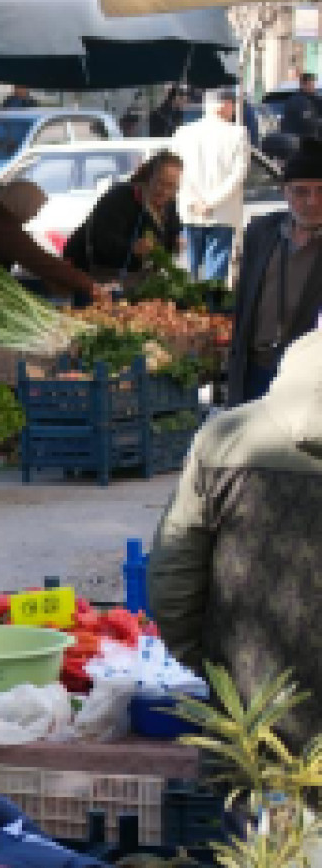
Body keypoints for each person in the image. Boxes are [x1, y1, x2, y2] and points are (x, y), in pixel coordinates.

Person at [149, 332, 322, 748]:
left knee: (256, 811)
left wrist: (218, 673)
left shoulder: (225, 437)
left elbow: (173, 582)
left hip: (251, 717)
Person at [222, 139, 322, 406]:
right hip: (255, 367)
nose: (313, 201)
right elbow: (244, 300)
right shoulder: (262, 232)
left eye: (321, 191)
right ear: (284, 191)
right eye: (302, 192)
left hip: (307, 379)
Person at [62, 151, 184, 286]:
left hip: (133, 277)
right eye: (161, 183)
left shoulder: (169, 204)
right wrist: (133, 248)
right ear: (149, 176)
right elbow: (102, 242)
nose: (165, 191)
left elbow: (172, 232)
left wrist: (175, 242)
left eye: (172, 186)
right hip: (94, 273)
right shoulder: (122, 197)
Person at [172, 90, 252, 283]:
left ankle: (187, 311)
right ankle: (211, 311)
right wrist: (210, 202)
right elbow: (238, 175)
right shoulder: (237, 133)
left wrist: (194, 200)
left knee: (188, 274)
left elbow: (174, 171)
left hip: (191, 211)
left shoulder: (183, 133)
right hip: (221, 213)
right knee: (214, 276)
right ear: (225, 105)